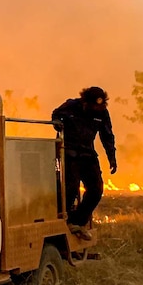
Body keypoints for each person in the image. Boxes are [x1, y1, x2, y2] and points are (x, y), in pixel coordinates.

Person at [52, 86, 117, 240]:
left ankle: (77, 221)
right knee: (71, 188)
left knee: (96, 189)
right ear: (84, 102)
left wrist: (112, 157)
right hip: (68, 153)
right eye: (93, 106)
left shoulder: (102, 113)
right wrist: (59, 124)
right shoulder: (70, 106)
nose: (96, 109)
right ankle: (63, 221)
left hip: (88, 154)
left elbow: (107, 136)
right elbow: (55, 115)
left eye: (99, 106)